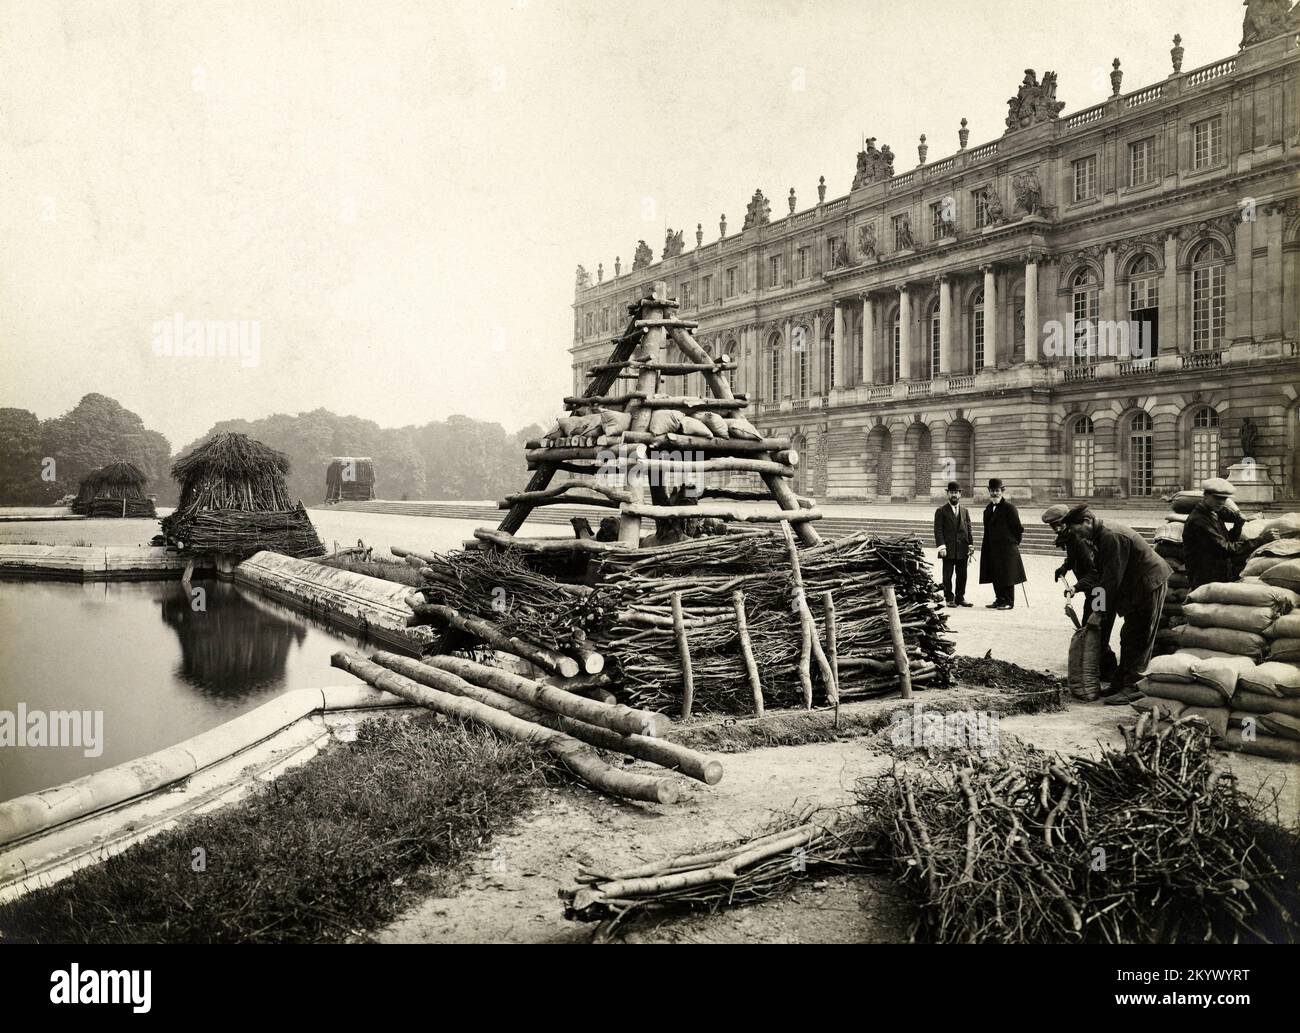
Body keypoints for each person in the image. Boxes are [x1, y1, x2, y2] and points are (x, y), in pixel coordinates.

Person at [1063, 504, 1171, 705]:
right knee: (1128, 635)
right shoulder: (1097, 536)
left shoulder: (1111, 537)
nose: (1078, 536)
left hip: (1149, 585)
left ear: (1087, 522)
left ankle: (1134, 686)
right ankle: (1120, 683)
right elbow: (1099, 576)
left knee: (1138, 636)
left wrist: (1098, 610)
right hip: (1134, 586)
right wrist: (1095, 606)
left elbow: (1111, 580)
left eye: (1078, 531)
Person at [1044, 503, 1117, 682]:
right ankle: (1098, 669)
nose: (1056, 529)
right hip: (1092, 591)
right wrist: (1064, 568)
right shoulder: (1070, 538)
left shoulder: (1080, 539)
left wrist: (1075, 587)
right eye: (1053, 526)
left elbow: (1095, 573)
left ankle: (1109, 672)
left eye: (1059, 524)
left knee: (1096, 629)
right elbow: (1073, 557)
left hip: (1100, 592)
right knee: (1089, 628)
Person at [1182, 478, 1271, 590]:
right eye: (1217, 498)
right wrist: (1260, 540)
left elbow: (1229, 541)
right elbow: (1224, 549)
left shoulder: (1214, 514)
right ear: (1205, 496)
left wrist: (1238, 524)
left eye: (1224, 499)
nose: (1221, 502)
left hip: (1217, 575)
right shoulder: (1199, 520)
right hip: (1205, 578)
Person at [980, 478, 1025, 609]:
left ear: (1002, 491)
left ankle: (1008, 602)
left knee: (1007, 575)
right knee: (995, 573)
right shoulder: (988, 510)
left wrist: (1013, 544)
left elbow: (1018, 529)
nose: (995, 493)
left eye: (997, 491)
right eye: (992, 491)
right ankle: (999, 599)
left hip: (1006, 549)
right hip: (991, 548)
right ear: (989, 491)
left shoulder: (1010, 508)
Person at [934, 480, 974, 607]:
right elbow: (938, 530)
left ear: (960, 494)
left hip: (962, 548)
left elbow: (969, 529)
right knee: (948, 575)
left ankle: (960, 597)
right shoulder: (941, 511)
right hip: (948, 549)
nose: (954, 495)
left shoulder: (964, 510)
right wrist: (941, 546)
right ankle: (949, 598)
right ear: (947, 494)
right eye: (951, 492)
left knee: (962, 575)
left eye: (956, 493)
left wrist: (970, 545)